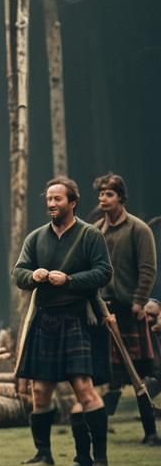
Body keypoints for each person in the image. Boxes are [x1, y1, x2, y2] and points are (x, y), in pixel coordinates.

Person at [13, 177, 114, 466]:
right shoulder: (36, 237)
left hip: (76, 319)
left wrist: (68, 280)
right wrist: (34, 275)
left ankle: (100, 464)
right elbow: (19, 273)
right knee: (40, 390)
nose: (51, 204)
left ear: (73, 203)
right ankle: (43, 452)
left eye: (58, 199)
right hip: (45, 320)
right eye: (49, 199)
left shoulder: (90, 235)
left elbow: (103, 273)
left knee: (83, 388)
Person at [93, 173, 158, 443]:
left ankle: (150, 433)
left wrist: (139, 301)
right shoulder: (97, 230)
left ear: (121, 197)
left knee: (138, 373)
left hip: (131, 310)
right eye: (100, 194)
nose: (103, 199)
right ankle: (99, 431)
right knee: (111, 375)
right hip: (107, 310)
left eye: (109, 194)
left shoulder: (138, 229)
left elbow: (148, 269)